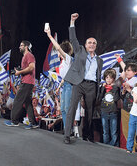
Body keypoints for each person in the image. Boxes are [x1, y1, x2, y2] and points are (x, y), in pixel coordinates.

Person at [63, 13, 103, 144]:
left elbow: (98, 74)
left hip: (92, 86)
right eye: (89, 42)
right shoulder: (79, 51)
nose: (91, 44)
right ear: (85, 45)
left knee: (90, 112)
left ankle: (87, 135)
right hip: (79, 83)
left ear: (96, 46)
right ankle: (67, 135)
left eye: (94, 43)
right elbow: (73, 38)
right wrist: (72, 22)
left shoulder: (99, 60)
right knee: (72, 108)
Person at [4, 40, 38, 129]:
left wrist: (19, 72)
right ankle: (33, 123)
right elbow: (26, 69)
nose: (19, 47)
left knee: (17, 100)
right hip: (28, 82)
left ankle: (14, 121)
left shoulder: (29, 55)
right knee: (27, 103)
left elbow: (31, 67)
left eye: (21, 45)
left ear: (26, 47)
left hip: (27, 82)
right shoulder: (25, 57)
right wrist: (19, 70)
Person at [44, 26, 73, 128]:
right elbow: (65, 76)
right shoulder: (62, 63)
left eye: (59, 51)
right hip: (65, 85)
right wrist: (58, 87)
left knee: (67, 109)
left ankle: (68, 131)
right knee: (63, 109)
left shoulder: (68, 59)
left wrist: (49, 36)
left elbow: (58, 48)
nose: (57, 52)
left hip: (70, 86)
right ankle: (66, 130)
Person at [98, 68, 120, 146]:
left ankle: (114, 146)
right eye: (107, 78)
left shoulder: (116, 88)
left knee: (114, 132)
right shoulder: (102, 88)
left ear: (113, 79)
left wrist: (114, 88)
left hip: (113, 111)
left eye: (110, 78)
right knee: (105, 131)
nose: (108, 80)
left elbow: (117, 98)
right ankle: (106, 146)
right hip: (104, 111)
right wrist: (103, 88)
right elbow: (99, 98)